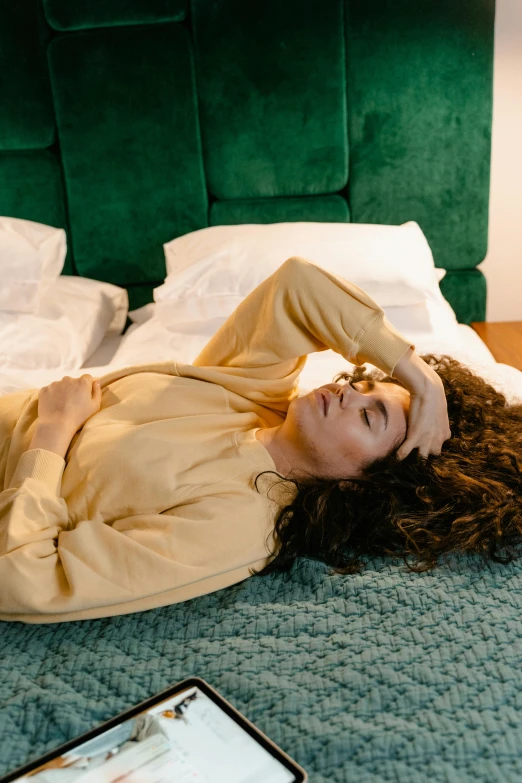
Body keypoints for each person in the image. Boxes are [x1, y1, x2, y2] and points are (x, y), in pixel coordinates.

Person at [1, 255, 513, 625]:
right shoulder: (255, 393)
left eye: (370, 417)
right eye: (362, 384)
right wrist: (419, 376)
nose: (346, 392)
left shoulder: (240, 522)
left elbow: (24, 579)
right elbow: (297, 284)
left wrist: (52, 433)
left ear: (367, 483)